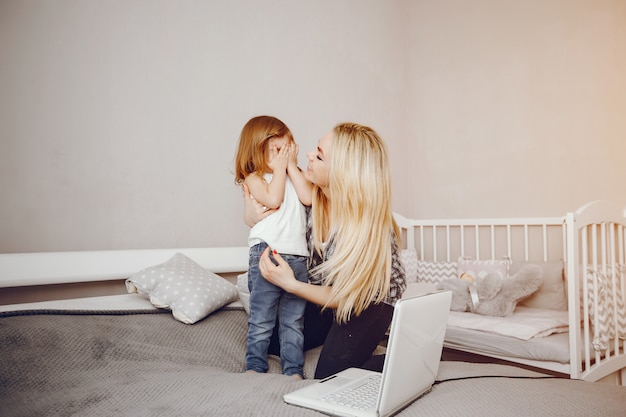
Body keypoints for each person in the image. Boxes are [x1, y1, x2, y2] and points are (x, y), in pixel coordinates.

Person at [243, 122, 407, 379]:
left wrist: (292, 285)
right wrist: (252, 217)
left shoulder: (369, 228)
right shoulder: (308, 198)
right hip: (324, 296)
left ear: (342, 174)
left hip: (367, 300)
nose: (308, 154)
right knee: (274, 342)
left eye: (319, 155)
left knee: (331, 375)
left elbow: (347, 296)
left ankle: (408, 358)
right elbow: (273, 211)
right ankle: (332, 331)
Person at [234, 115, 314, 379]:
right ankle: (255, 366)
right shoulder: (255, 177)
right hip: (266, 253)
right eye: (276, 151)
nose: (282, 155)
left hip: (298, 257)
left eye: (287, 148)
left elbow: (308, 197)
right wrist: (280, 169)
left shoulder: (294, 174)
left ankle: (293, 370)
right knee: (262, 318)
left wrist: (290, 166)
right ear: (257, 150)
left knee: (293, 321)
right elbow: (273, 198)